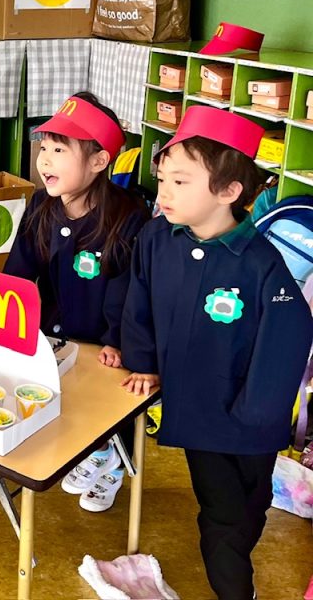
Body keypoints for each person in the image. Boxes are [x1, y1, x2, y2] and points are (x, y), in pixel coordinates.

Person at [118, 106, 313, 600]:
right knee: (222, 515)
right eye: (163, 178)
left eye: (180, 182)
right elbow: (138, 302)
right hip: (199, 410)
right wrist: (144, 364)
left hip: (248, 420)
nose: (163, 192)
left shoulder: (261, 263)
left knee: (250, 504)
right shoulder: (156, 238)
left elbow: (288, 339)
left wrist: (254, 417)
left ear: (229, 192)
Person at [5, 93, 150, 511]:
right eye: (44, 148)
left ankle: (113, 462)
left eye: (59, 150)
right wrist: (4, 317)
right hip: (54, 333)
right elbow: (19, 269)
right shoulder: (41, 204)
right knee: (67, 405)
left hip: (104, 343)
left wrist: (117, 340)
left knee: (108, 409)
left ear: (99, 161)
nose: (44, 161)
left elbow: (130, 289)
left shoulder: (128, 216)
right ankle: (94, 452)